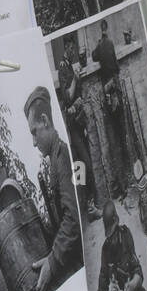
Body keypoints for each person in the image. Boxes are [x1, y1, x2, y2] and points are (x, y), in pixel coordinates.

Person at [25, 86, 82, 291]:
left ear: (45, 121)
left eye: (34, 132)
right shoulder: (55, 157)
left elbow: (73, 218)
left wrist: (52, 260)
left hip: (78, 257)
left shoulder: (62, 157)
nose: (33, 142)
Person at [56, 37, 97, 218]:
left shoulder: (68, 66)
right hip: (72, 126)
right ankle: (89, 206)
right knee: (84, 163)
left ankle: (89, 205)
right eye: (72, 48)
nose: (74, 51)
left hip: (78, 123)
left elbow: (75, 96)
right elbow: (67, 97)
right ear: (68, 47)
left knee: (83, 164)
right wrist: (75, 79)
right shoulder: (63, 68)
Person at [91, 19, 129, 199]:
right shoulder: (111, 44)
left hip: (108, 96)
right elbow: (117, 67)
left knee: (113, 140)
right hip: (117, 92)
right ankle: (129, 178)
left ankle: (122, 184)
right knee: (123, 134)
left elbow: (93, 57)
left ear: (101, 30)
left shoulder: (100, 46)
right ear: (108, 29)